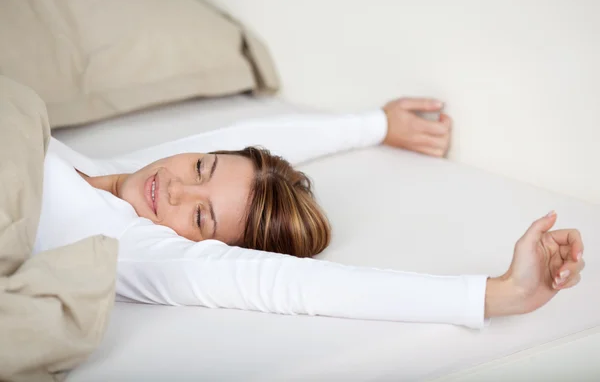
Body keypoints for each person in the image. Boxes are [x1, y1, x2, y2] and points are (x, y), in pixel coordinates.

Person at [35, 97, 585, 329]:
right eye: (201, 167)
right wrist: (376, 124)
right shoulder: (119, 172)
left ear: (205, 246)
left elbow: (298, 285)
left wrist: (496, 294)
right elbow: (243, 139)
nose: (177, 191)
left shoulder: (131, 244)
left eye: (202, 219)